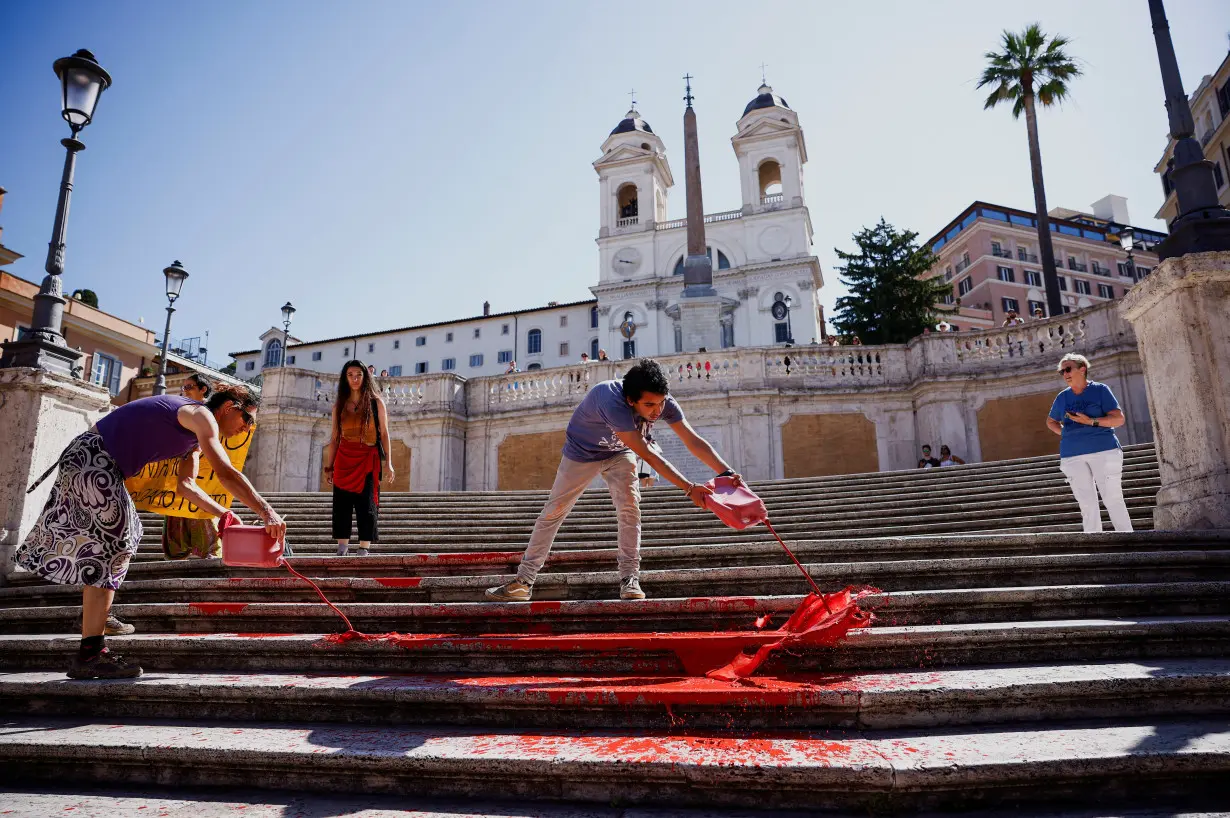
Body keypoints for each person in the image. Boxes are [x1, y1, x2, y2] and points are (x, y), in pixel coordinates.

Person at [15, 385, 285, 679]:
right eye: (248, 420)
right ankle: (91, 651)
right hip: (94, 458)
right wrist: (266, 512)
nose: (247, 428)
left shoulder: (193, 434)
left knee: (115, 541)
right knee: (119, 540)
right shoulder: (201, 414)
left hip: (92, 460)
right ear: (231, 406)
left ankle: (96, 619)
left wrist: (225, 514)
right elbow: (224, 471)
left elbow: (187, 486)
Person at [486, 358, 742, 602]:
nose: (657, 411)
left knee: (630, 508)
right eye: (649, 406)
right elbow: (648, 454)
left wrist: (727, 473)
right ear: (631, 400)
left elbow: (692, 440)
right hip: (582, 453)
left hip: (619, 452)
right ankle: (523, 582)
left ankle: (630, 578)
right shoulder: (610, 399)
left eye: (661, 403)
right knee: (554, 512)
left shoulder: (662, 402)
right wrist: (688, 488)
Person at [1046, 353, 1133, 533]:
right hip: (1071, 455)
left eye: (1068, 369)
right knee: (1086, 504)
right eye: (1062, 371)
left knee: (1113, 498)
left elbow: (1118, 419)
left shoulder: (1100, 390)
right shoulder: (1062, 397)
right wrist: (1067, 434)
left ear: (1082, 369)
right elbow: (1051, 421)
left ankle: (1128, 540)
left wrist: (1091, 422)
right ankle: (1094, 544)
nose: (1065, 374)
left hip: (1104, 449)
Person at [323, 360, 394, 557]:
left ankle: (364, 548)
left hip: (368, 458)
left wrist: (388, 463)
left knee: (367, 505)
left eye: (358, 375)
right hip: (344, 458)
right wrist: (329, 467)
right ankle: (342, 547)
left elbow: (385, 434)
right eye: (350, 375)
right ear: (345, 378)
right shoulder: (339, 406)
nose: (355, 379)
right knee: (342, 505)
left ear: (365, 377)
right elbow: (335, 437)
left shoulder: (376, 402)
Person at [161, 374, 224, 561]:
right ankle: (177, 550)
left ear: (203, 389)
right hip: (183, 465)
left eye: (189, 387)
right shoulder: (182, 409)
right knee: (178, 507)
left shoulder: (212, 411)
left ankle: (211, 549)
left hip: (204, 468)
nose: (184, 391)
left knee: (202, 507)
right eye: (184, 388)